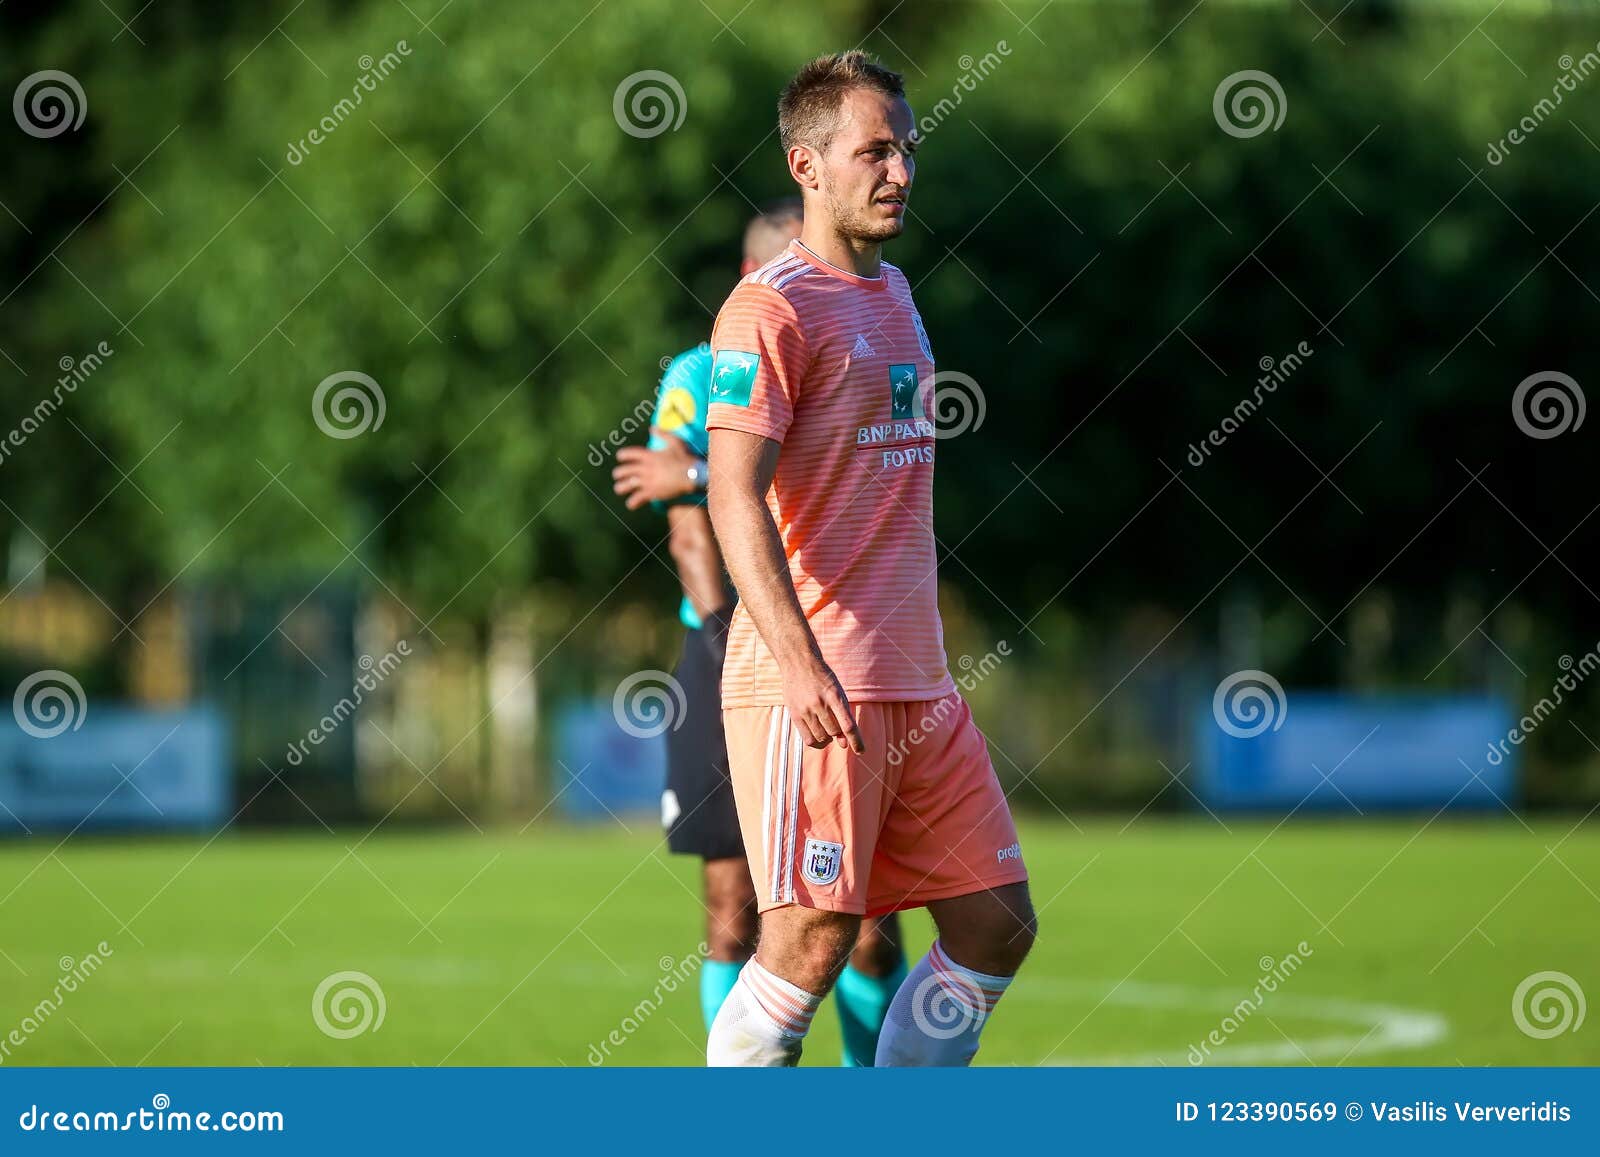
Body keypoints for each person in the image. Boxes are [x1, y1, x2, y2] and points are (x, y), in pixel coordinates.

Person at [703, 51, 1036, 1068]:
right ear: (808, 166)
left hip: (916, 685)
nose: (900, 171)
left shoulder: (894, 292)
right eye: (875, 151)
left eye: (907, 149)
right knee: (808, 939)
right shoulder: (768, 309)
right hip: (813, 685)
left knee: (993, 924)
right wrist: (800, 661)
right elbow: (730, 493)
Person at [612, 201, 907, 1066]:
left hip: (846, 647)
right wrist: (714, 631)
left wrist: (696, 468)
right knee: (732, 902)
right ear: (757, 277)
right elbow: (686, 518)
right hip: (729, 648)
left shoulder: (860, 350)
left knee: (866, 915)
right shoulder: (702, 370)